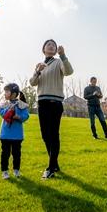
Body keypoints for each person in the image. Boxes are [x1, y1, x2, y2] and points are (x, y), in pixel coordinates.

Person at [29, 39, 73, 179]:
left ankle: (50, 168)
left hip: (55, 102)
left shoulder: (58, 62)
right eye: (48, 44)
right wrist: (37, 71)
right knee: (45, 135)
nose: (51, 46)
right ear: (43, 49)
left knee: (54, 135)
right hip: (42, 103)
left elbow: (69, 72)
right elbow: (32, 83)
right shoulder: (40, 65)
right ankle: (54, 164)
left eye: (53, 45)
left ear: (56, 50)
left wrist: (63, 56)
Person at [0, 83, 30, 179]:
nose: (5, 93)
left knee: (16, 154)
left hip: (17, 135)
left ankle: (16, 170)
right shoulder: (5, 104)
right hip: (5, 135)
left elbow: (26, 116)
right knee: (5, 154)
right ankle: (5, 171)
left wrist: (18, 117)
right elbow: (2, 113)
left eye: (7, 91)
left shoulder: (21, 105)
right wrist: (8, 111)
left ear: (14, 93)